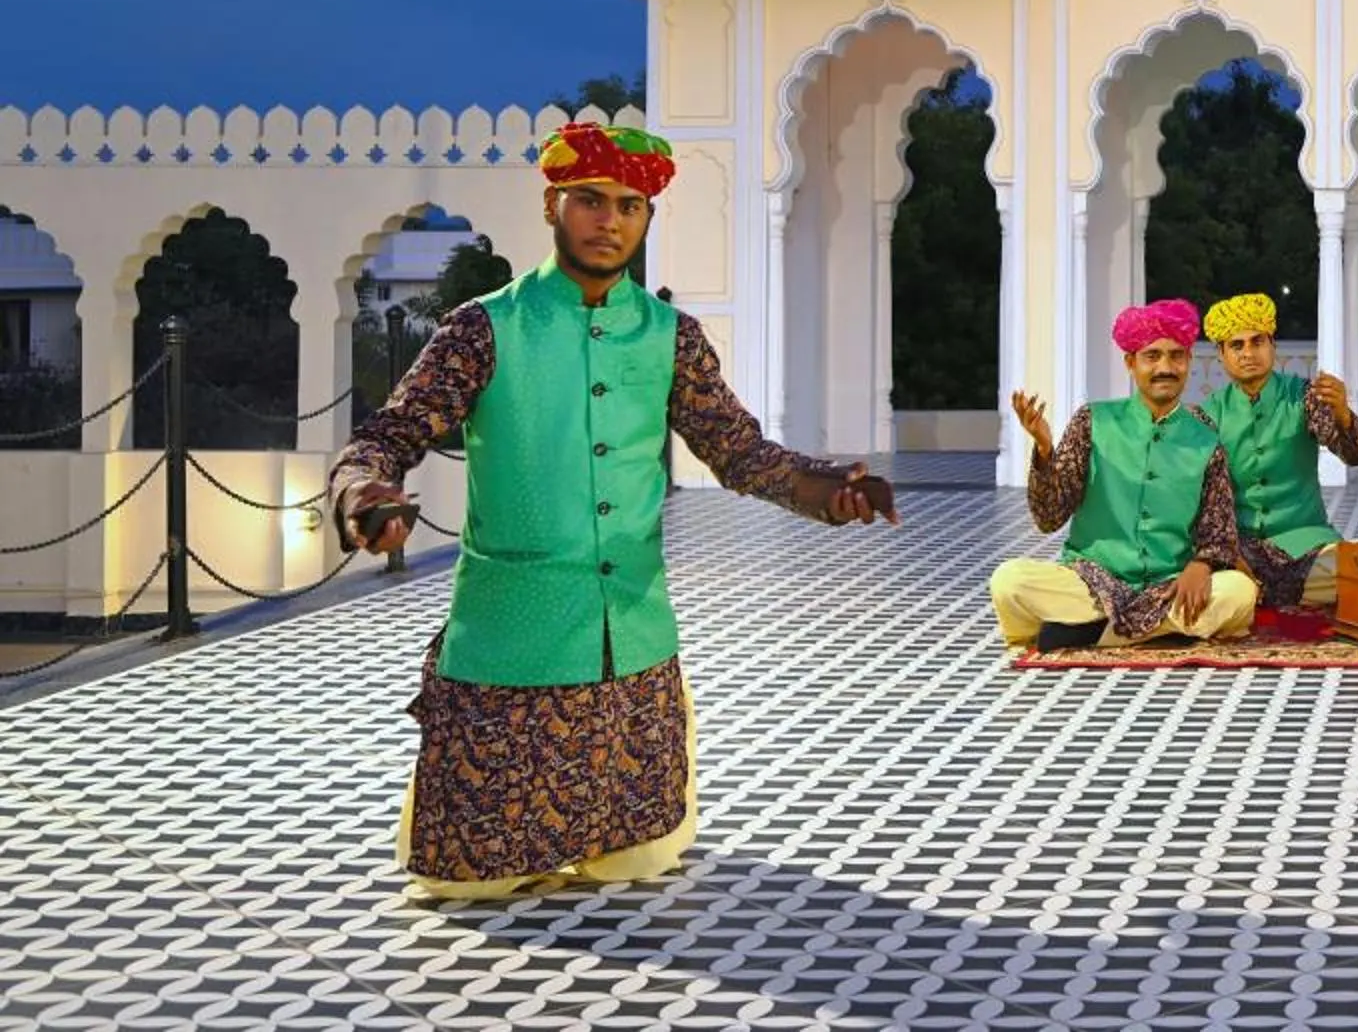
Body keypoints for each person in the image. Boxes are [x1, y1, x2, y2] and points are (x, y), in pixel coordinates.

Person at [330, 122, 899, 899]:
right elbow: (384, 438)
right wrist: (367, 495)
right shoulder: (483, 327)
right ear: (551, 206)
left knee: (635, 861)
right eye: (591, 201)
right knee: (472, 880)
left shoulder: (670, 336)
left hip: (628, 631)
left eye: (630, 205)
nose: (611, 221)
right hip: (511, 631)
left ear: (647, 217)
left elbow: (738, 452)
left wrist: (829, 490)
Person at [992, 299, 1259, 650]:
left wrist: (1201, 566)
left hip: (1170, 585)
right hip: (1092, 584)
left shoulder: (1205, 436)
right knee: (1009, 581)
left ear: (1189, 362)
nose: (1165, 367)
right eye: (1152, 356)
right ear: (1130, 362)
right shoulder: (1093, 422)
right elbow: (1048, 517)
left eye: (1176, 356)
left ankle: (1094, 633)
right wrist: (1044, 451)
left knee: (1239, 593)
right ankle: (1158, 631)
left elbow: (1219, 528)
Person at [1198, 291, 1358, 608]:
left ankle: (1269, 599)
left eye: (1257, 342)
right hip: (1240, 550)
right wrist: (1229, 555)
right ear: (1221, 355)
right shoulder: (1208, 415)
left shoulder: (1304, 397)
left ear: (1273, 346)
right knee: (1214, 590)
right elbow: (1201, 502)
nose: (1248, 353)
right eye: (1236, 346)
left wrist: (1343, 414)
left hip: (1306, 540)